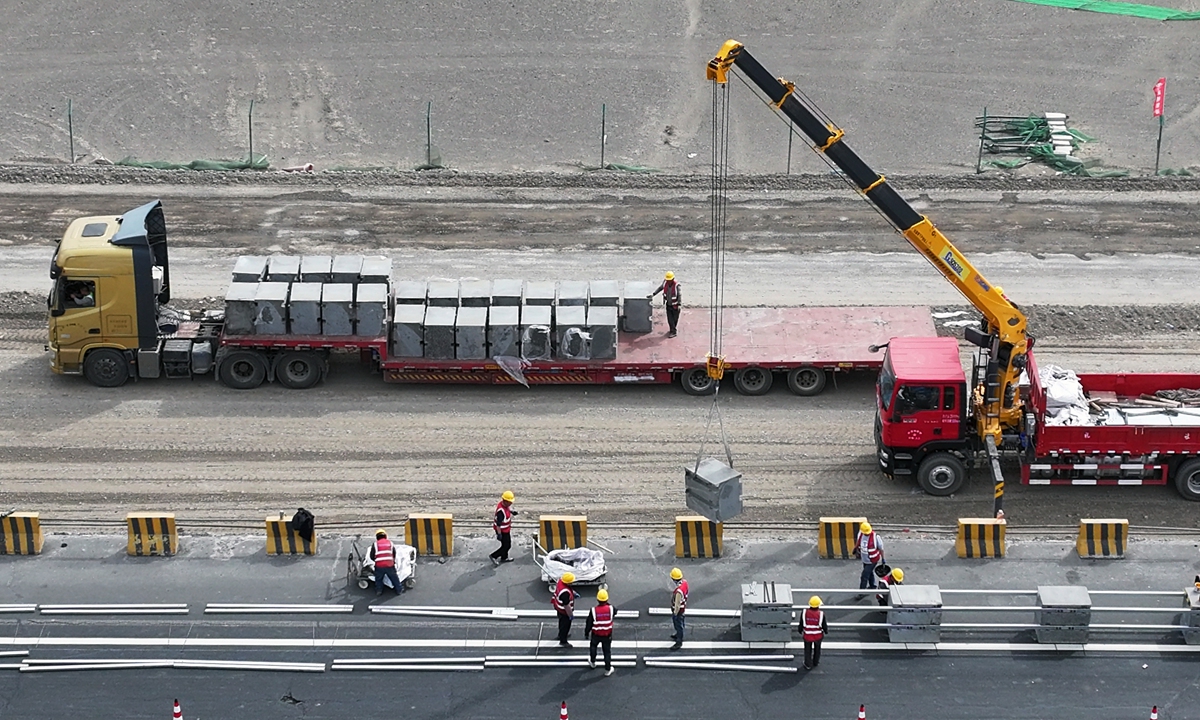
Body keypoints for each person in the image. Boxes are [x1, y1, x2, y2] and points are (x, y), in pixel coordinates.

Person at [585, 588, 616, 676]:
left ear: (597, 599)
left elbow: (589, 623)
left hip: (596, 634)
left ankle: (593, 662)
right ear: (607, 599)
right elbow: (615, 611)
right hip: (607, 635)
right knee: (607, 652)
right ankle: (607, 669)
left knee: (593, 647)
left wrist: (586, 633)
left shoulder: (593, 611)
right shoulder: (611, 609)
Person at [648, 271, 681, 338]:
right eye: (667, 280)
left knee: (675, 319)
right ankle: (673, 332)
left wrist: (679, 304)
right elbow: (660, 288)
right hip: (668, 304)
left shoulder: (677, 285)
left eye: (670, 280)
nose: (668, 281)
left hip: (675, 306)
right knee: (670, 319)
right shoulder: (665, 283)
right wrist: (653, 294)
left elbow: (679, 295)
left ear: (673, 279)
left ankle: (673, 329)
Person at [370, 529, 402, 596]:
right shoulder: (390, 543)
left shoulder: (375, 544)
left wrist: (377, 561)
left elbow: (372, 556)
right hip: (389, 565)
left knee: (378, 578)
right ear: (385, 536)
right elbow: (394, 553)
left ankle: (379, 590)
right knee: (394, 577)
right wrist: (391, 561)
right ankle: (399, 590)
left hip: (379, 565)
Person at [489, 490, 517, 567]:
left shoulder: (504, 505)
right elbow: (498, 525)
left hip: (506, 530)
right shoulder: (500, 512)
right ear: (505, 501)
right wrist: (499, 534)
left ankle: (504, 557)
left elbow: (507, 508)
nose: (511, 503)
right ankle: (494, 556)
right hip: (502, 531)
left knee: (505, 544)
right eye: (510, 501)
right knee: (507, 545)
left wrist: (512, 512)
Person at [854, 521, 884, 590]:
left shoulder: (875, 537)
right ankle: (872, 586)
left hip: (873, 560)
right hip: (865, 559)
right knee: (869, 573)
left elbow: (881, 549)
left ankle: (861, 592)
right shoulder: (860, 534)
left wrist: (883, 559)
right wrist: (856, 549)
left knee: (864, 576)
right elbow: (858, 542)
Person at [552, 571, 579, 647]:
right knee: (565, 625)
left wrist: (573, 593)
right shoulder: (565, 593)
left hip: (558, 607)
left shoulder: (560, 581)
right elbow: (567, 606)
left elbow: (568, 588)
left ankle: (561, 635)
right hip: (564, 612)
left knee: (561, 623)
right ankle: (563, 641)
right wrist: (570, 615)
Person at [802, 595, 828, 670]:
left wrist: (800, 630)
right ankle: (815, 662)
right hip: (818, 636)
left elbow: (801, 623)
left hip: (807, 635)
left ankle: (807, 664)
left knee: (807, 650)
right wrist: (826, 631)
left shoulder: (804, 612)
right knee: (817, 649)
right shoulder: (821, 614)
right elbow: (824, 625)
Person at [669, 567, 688, 647]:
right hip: (683, 609)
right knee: (681, 623)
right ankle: (678, 634)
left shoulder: (678, 592)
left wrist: (675, 613)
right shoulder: (685, 583)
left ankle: (679, 641)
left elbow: (677, 605)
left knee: (678, 625)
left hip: (679, 611)